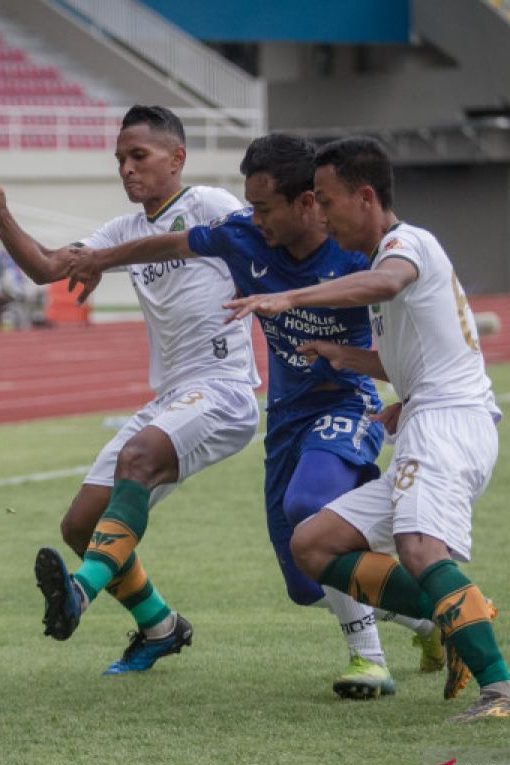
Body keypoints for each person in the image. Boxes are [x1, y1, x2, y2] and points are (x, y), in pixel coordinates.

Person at [66, 133, 440, 699]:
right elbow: (169, 245)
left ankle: (370, 662)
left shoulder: (361, 250)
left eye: (265, 207)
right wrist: (97, 259)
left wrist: (406, 392)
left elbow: (415, 331)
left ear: (307, 204)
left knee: (311, 507)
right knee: (304, 577)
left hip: (349, 403)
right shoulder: (245, 236)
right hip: (286, 415)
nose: (253, 217)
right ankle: (427, 620)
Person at [225, 136, 510, 723]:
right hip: (425, 416)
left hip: (446, 425)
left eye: (327, 199)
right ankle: (454, 617)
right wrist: (345, 357)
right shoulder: (381, 262)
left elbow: (389, 283)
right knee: (314, 544)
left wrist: (287, 298)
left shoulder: (404, 245)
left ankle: (502, 692)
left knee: (420, 549)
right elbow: (405, 359)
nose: (320, 212)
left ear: (365, 196)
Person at [0, 105, 260, 674]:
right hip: (172, 397)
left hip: (222, 391)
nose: (126, 168)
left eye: (138, 156)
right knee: (79, 524)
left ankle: (80, 591)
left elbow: (241, 248)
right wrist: (0, 217)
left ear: (177, 159)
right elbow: (50, 267)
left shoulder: (211, 205)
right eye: (120, 159)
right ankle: (161, 626)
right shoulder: (120, 230)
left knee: (137, 457)